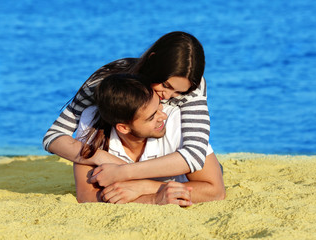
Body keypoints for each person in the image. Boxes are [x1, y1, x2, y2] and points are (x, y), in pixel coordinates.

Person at [43, 31, 210, 182]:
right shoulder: (105, 81)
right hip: (116, 164)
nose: (167, 95)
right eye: (165, 85)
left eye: (178, 92)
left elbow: (195, 154)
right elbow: (54, 136)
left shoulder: (194, 87)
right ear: (153, 61)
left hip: (172, 171)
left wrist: (126, 173)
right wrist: (99, 156)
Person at [74, 74, 225, 205]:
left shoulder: (176, 121)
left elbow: (216, 191)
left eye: (160, 106)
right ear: (123, 128)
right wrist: (154, 199)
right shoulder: (91, 122)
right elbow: (85, 194)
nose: (162, 116)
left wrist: (145, 187)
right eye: (152, 116)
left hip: (195, 174)